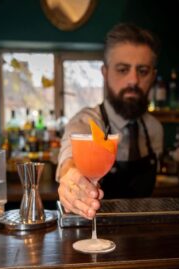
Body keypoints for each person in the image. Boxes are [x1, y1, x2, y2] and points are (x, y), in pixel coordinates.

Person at [57, 22, 164, 220]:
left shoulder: (154, 129)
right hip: (95, 238)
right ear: (105, 73)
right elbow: (69, 159)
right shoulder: (87, 121)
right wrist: (71, 178)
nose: (133, 80)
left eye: (142, 71)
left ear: (153, 76)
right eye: (123, 70)